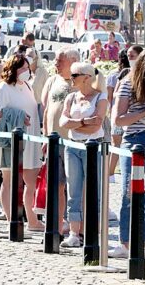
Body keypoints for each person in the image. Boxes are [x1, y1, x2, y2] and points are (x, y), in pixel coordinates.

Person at [110, 48, 145, 257]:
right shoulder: (128, 84)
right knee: (128, 192)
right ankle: (126, 242)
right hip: (134, 139)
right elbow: (118, 119)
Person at [0, 55, 44, 231]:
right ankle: (12, 219)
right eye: (22, 68)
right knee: (9, 179)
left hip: (31, 139)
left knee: (31, 180)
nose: (26, 72)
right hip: (11, 140)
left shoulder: (27, 86)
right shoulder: (4, 88)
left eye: (27, 68)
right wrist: (17, 116)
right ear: (13, 69)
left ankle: (32, 220)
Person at [59, 62, 108, 247]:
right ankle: (74, 232)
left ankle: (92, 231)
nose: (71, 78)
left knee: (94, 190)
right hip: (73, 146)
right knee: (73, 190)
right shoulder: (71, 97)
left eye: (74, 75)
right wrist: (83, 121)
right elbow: (63, 121)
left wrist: (76, 123)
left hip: (93, 147)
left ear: (86, 77)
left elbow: (96, 125)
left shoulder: (100, 97)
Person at [41, 47, 80, 232]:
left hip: (73, 143)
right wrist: (45, 137)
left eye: (60, 60)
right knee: (56, 185)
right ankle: (56, 224)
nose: (55, 64)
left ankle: (77, 227)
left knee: (75, 187)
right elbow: (47, 109)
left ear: (72, 61)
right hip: (54, 142)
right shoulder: (53, 80)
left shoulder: (81, 82)